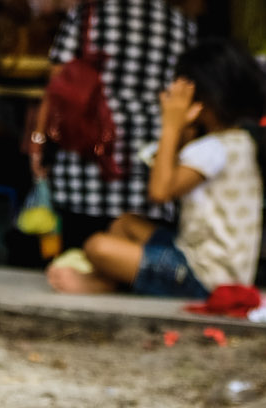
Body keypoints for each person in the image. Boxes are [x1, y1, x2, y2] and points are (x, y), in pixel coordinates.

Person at [47, 39, 266, 296]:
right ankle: (108, 281)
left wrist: (171, 125)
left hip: (206, 278)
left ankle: (105, 285)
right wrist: (182, 130)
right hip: (199, 258)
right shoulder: (235, 141)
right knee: (125, 224)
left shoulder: (216, 148)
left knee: (98, 247)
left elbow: (160, 191)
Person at [26, 0, 197, 253]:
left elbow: (58, 84)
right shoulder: (182, 25)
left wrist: (38, 141)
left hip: (87, 153)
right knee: (138, 257)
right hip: (151, 153)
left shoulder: (89, 14)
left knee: (78, 252)